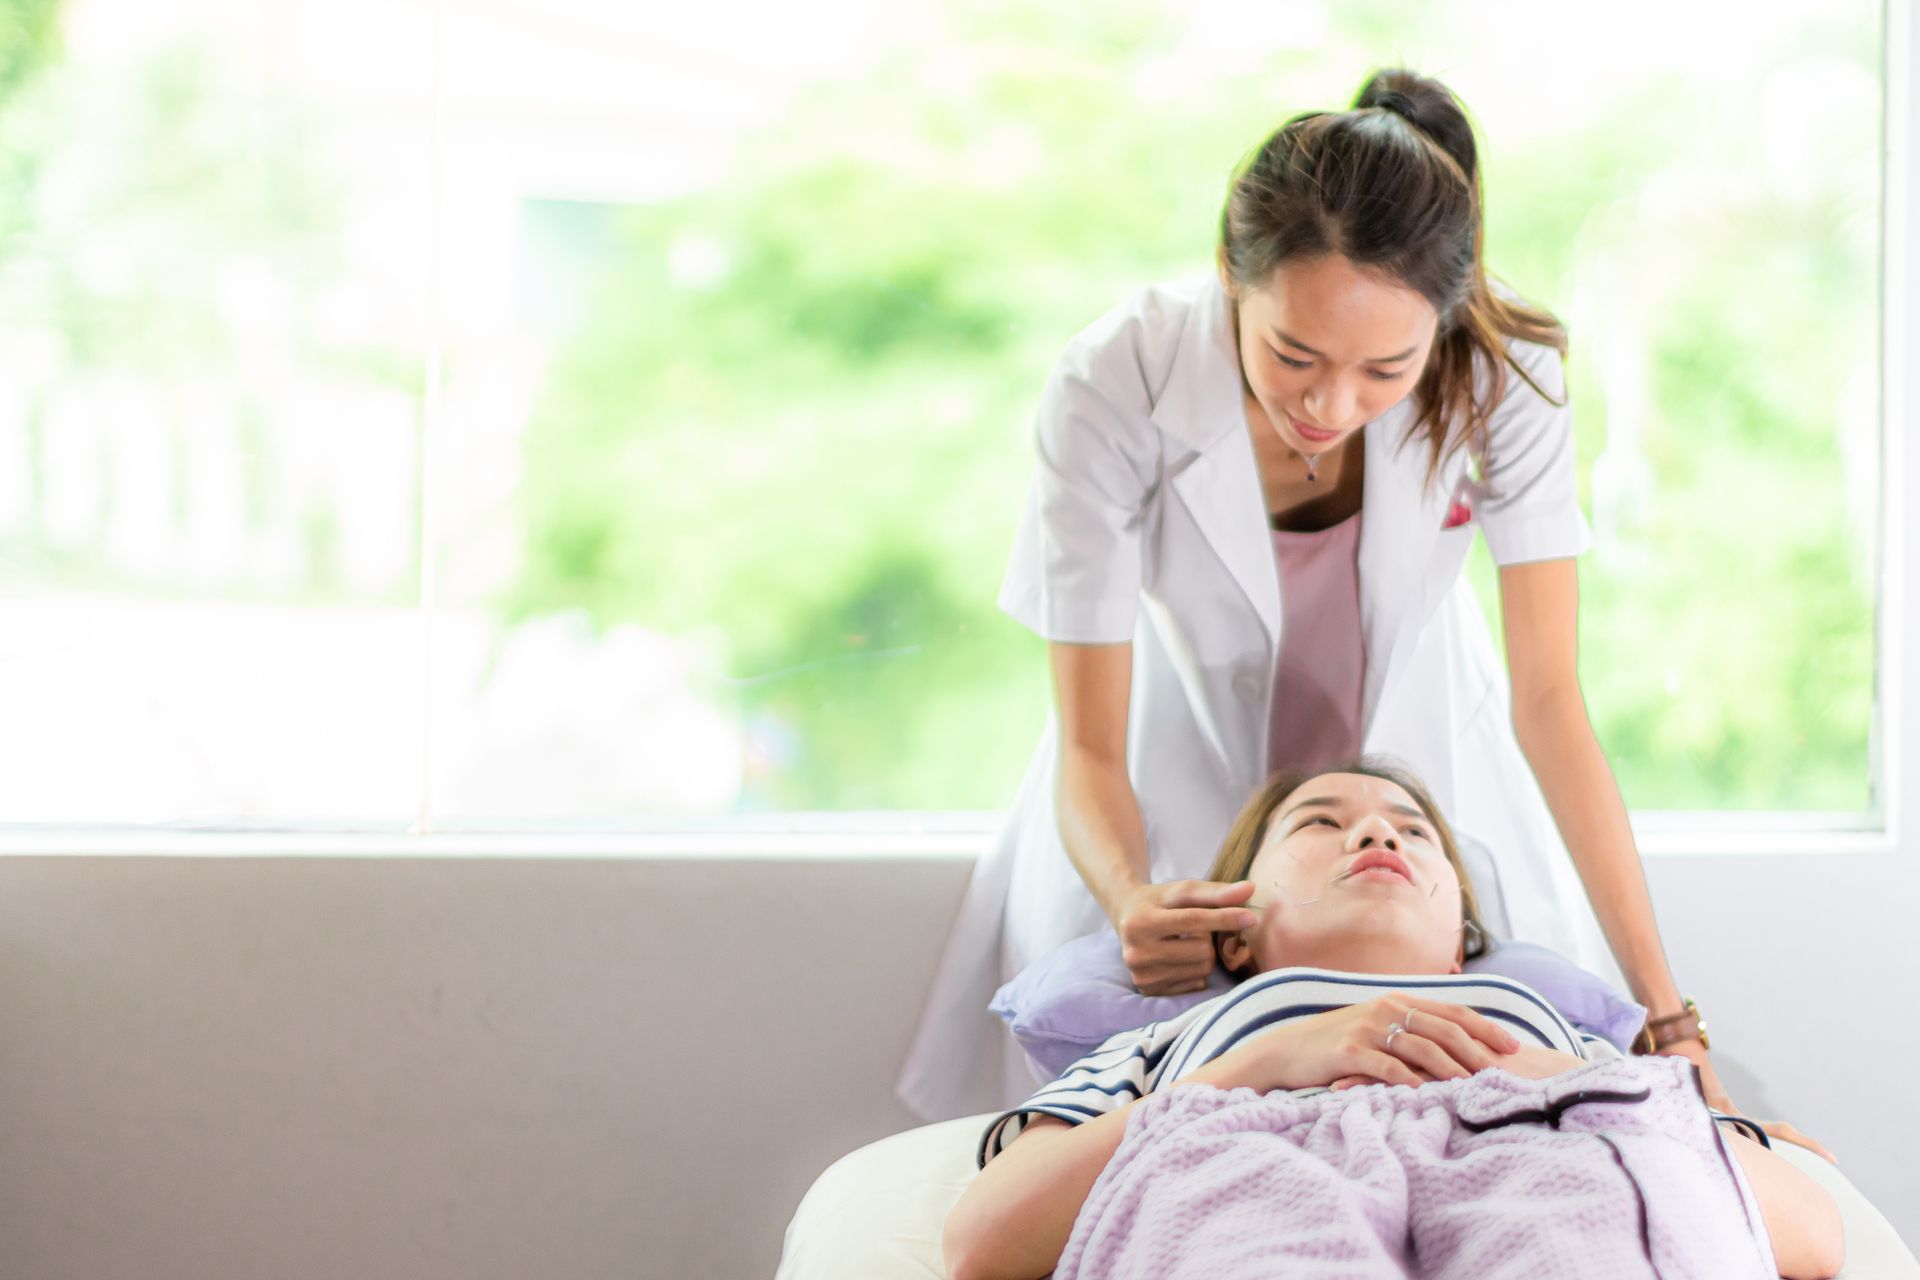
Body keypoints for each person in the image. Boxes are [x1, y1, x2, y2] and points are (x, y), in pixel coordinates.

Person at [897, 67, 1825, 1157]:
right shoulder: (1118, 378)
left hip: (1424, 783)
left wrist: (1668, 1015)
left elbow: (1551, 697)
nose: (1328, 407)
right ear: (1231, 282)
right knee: (1164, 1145)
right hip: (1170, 790)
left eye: (1386, 368)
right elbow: (1093, 740)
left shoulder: (1507, 377)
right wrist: (1132, 896)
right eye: (1291, 354)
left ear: (1443, 325)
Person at [941, 763, 1845, 1280]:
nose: (1377, 837)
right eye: (1320, 823)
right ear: (1237, 933)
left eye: (1414, 833)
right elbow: (986, 1237)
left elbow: (1812, 1233)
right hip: (1247, 1153)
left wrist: (1567, 1084)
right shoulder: (1168, 1042)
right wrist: (1264, 1060)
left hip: (1538, 1146)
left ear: (1461, 941)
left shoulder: (1574, 1048)